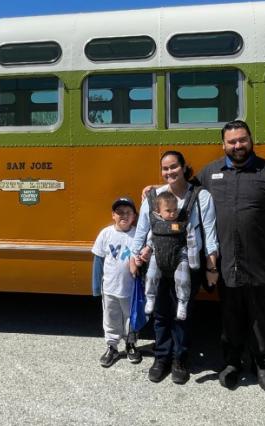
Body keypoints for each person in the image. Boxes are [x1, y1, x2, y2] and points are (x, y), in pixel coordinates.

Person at [198, 120, 265, 395]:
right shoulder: (210, 173)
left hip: (261, 261)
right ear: (223, 145)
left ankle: (263, 365)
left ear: (250, 140)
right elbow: (185, 196)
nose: (237, 146)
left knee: (261, 315)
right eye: (232, 142)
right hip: (226, 261)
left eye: (242, 140)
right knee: (230, 315)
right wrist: (154, 191)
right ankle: (232, 363)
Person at [130, 150, 218, 385]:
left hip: (187, 264)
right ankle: (161, 358)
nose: (169, 172)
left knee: (182, 313)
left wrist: (211, 267)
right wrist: (134, 256)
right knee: (160, 313)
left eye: (174, 167)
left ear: (183, 167)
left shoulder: (201, 197)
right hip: (158, 262)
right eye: (165, 168)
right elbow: (142, 230)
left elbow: (209, 234)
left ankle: (180, 359)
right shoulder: (153, 197)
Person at [91, 196, 140, 368]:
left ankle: (131, 344)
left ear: (134, 216)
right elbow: (98, 261)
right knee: (111, 318)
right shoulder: (106, 234)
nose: (123, 216)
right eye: (119, 212)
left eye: (128, 212)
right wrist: (97, 286)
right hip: (110, 287)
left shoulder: (138, 235)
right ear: (113, 215)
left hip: (130, 288)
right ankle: (112, 346)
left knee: (130, 318)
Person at [142, 190, 192, 321]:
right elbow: (150, 239)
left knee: (183, 279)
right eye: (168, 210)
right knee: (151, 275)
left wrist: (193, 256)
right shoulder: (155, 223)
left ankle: (182, 302)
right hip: (158, 254)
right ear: (158, 211)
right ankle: (150, 298)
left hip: (179, 254)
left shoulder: (182, 222)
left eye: (175, 210)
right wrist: (147, 249)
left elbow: (191, 238)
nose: (173, 213)